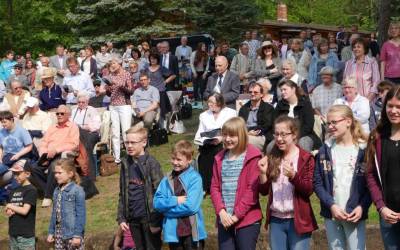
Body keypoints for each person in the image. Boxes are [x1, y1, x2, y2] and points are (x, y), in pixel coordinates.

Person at [313, 105, 371, 250]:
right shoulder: (325, 150)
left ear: (348, 122)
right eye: (328, 123)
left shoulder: (364, 150)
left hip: (354, 214)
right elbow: (317, 182)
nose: (330, 126)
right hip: (332, 213)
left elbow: (371, 185)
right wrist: (331, 205)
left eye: (334, 122)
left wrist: (361, 207)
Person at [258, 115, 318, 250]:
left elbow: (308, 190)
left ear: (294, 135)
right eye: (277, 134)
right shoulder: (272, 156)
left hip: (298, 220)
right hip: (276, 220)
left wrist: (293, 176)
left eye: (284, 134)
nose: (279, 139)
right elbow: (263, 191)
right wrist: (262, 173)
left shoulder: (305, 158)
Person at [210, 117, 262, 250]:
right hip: (225, 219)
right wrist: (221, 212)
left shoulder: (253, 156)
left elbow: (252, 191)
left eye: (232, 135)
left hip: (247, 220)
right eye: (225, 135)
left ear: (242, 135)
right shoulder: (219, 158)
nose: (227, 139)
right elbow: (214, 187)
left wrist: (236, 216)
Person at [154, 140, 207, 250]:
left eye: (179, 159)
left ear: (189, 160)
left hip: (191, 232)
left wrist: (168, 212)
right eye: (173, 158)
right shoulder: (166, 179)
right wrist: (175, 200)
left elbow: (191, 207)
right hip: (173, 233)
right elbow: (157, 203)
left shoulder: (195, 178)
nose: (175, 162)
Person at [117, 127, 164, 250]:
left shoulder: (152, 163)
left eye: (133, 142)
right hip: (133, 219)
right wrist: (121, 217)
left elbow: (161, 194)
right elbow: (122, 193)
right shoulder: (125, 164)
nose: (129, 146)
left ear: (144, 142)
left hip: (149, 219)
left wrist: (156, 222)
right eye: (127, 142)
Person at [366, 85, 400, 249]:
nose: (393, 111)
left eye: (398, 107)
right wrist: (381, 207)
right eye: (390, 106)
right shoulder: (376, 137)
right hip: (387, 214)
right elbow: (370, 175)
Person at [33, 105, 79, 207]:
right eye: (57, 113)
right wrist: (43, 154)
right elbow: (44, 142)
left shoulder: (73, 127)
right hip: (48, 154)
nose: (59, 115)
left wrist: (56, 150)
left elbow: (74, 144)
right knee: (33, 168)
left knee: (54, 166)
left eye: (62, 113)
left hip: (62, 154)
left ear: (68, 115)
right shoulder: (52, 127)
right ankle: (53, 191)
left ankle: (48, 196)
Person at [194, 93, 236, 194]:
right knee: (204, 152)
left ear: (220, 102)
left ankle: (216, 185)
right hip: (208, 142)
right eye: (209, 102)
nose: (209, 104)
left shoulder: (231, 113)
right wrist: (199, 140)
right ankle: (205, 186)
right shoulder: (203, 115)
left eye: (212, 102)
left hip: (225, 140)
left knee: (216, 150)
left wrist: (221, 138)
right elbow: (200, 132)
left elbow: (233, 129)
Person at [47, 159, 86, 250]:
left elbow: (81, 215)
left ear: (70, 174)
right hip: (59, 234)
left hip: (72, 234)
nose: (56, 175)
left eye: (59, 173)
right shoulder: (56, 191)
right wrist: (51, 232)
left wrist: (77, 235)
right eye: (55, 173)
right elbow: (54, 214)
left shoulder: (77, 190)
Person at [274, 80, 320, 152]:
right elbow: (275, 122)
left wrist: (294, 137)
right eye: (281, 90)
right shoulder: (280, 105)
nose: (282, 92)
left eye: (285, 89)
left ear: (293, 89)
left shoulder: (305, 104)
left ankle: (304, 162)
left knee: (303, 143)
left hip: (304, 135)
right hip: (283, 135)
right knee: (271, 146)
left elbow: (308, 125)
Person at [106, 57, 134, 163]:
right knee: (115, 132)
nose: (112, 65)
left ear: (119, 63)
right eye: (111, 63)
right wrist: (108, 89)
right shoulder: (110, 76)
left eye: (114, 63)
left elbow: (131, 91)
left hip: (124, 105)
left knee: (126, 131)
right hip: (113, 105)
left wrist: (121, 86)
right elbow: (109, 94)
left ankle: (129, 155)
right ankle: (116, 157)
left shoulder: (126, 74)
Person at [5, 160, 37, 250]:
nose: (15, 177)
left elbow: (24, 211)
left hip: (25, 236)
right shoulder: (14, 190)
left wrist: (9, 206)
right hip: (13, 233)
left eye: (18, 173)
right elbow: (12, 206)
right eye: (14, 174)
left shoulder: (31, 190)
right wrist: (8, 210)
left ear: (27, 174)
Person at [71, 92, 101, 180]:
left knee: (86, 146)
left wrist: (83, 127)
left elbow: (96, 125)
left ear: (87, 102)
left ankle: (91, 175)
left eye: (83, 102)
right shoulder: (73, 111)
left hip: (91, 133)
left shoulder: (92, 110)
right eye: (79, 102)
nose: (80, 104)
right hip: (76, 134)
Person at [0, 111, 33, 189]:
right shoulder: (1, 132)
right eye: (1, 122)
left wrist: (18, 155)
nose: (3, 124)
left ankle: (13, 194)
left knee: (17, 172)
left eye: (5, 122)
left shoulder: (21, 131)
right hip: (7, 157)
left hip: (21, 156)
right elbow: (1, 147)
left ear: (11, 120)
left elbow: (29, 146)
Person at [238, 82, 274, 151]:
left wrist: (254, 132)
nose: (252, 94)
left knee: (243, 140)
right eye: (250, 92)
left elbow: (266, 125)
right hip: (246, 134)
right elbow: (240, 125)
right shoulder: (243, 109)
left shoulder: (268, 108)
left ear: (261, 95)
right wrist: (247, 133)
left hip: (261, 136)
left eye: (255, 92)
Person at [143, 53, 175, 127]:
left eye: (154, 58)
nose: (153, 60)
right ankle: (153, 125)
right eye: (151, 59)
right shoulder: (146, 69)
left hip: (161, 91)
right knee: (151, 109)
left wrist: (165, 82)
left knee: (162, 110)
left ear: (157, 59)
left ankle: (163, 127)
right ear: (149, 60)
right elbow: (143, 79)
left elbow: (173, 75)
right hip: (150, 92)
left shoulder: (161, 68)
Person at [190, 42, 209, 108]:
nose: (204, 47)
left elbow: (207, 65)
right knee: (195, 88)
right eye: (203, 46)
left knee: (202, 88)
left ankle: (202, 102)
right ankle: (195, 101)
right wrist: (194, 72)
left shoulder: (206, 54)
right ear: (200, 47)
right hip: (195, 72)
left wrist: (205, 73)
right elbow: (191, 64)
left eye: (205, 46)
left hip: (202, 72)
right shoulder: (194, 53)